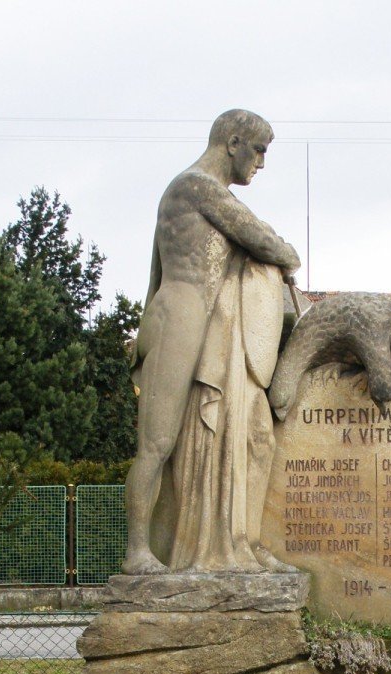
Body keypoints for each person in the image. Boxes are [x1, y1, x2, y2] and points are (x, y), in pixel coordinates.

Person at [121, 109, 301, 574]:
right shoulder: (196, 187)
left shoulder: (201, 191)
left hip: (201, 317)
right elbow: (266, 241)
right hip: (181, 314)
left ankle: (235, 539)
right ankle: (138, 551)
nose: (261, 163)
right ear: (233, 141)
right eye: (259, 150)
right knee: (158, 442)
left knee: (244, 435)